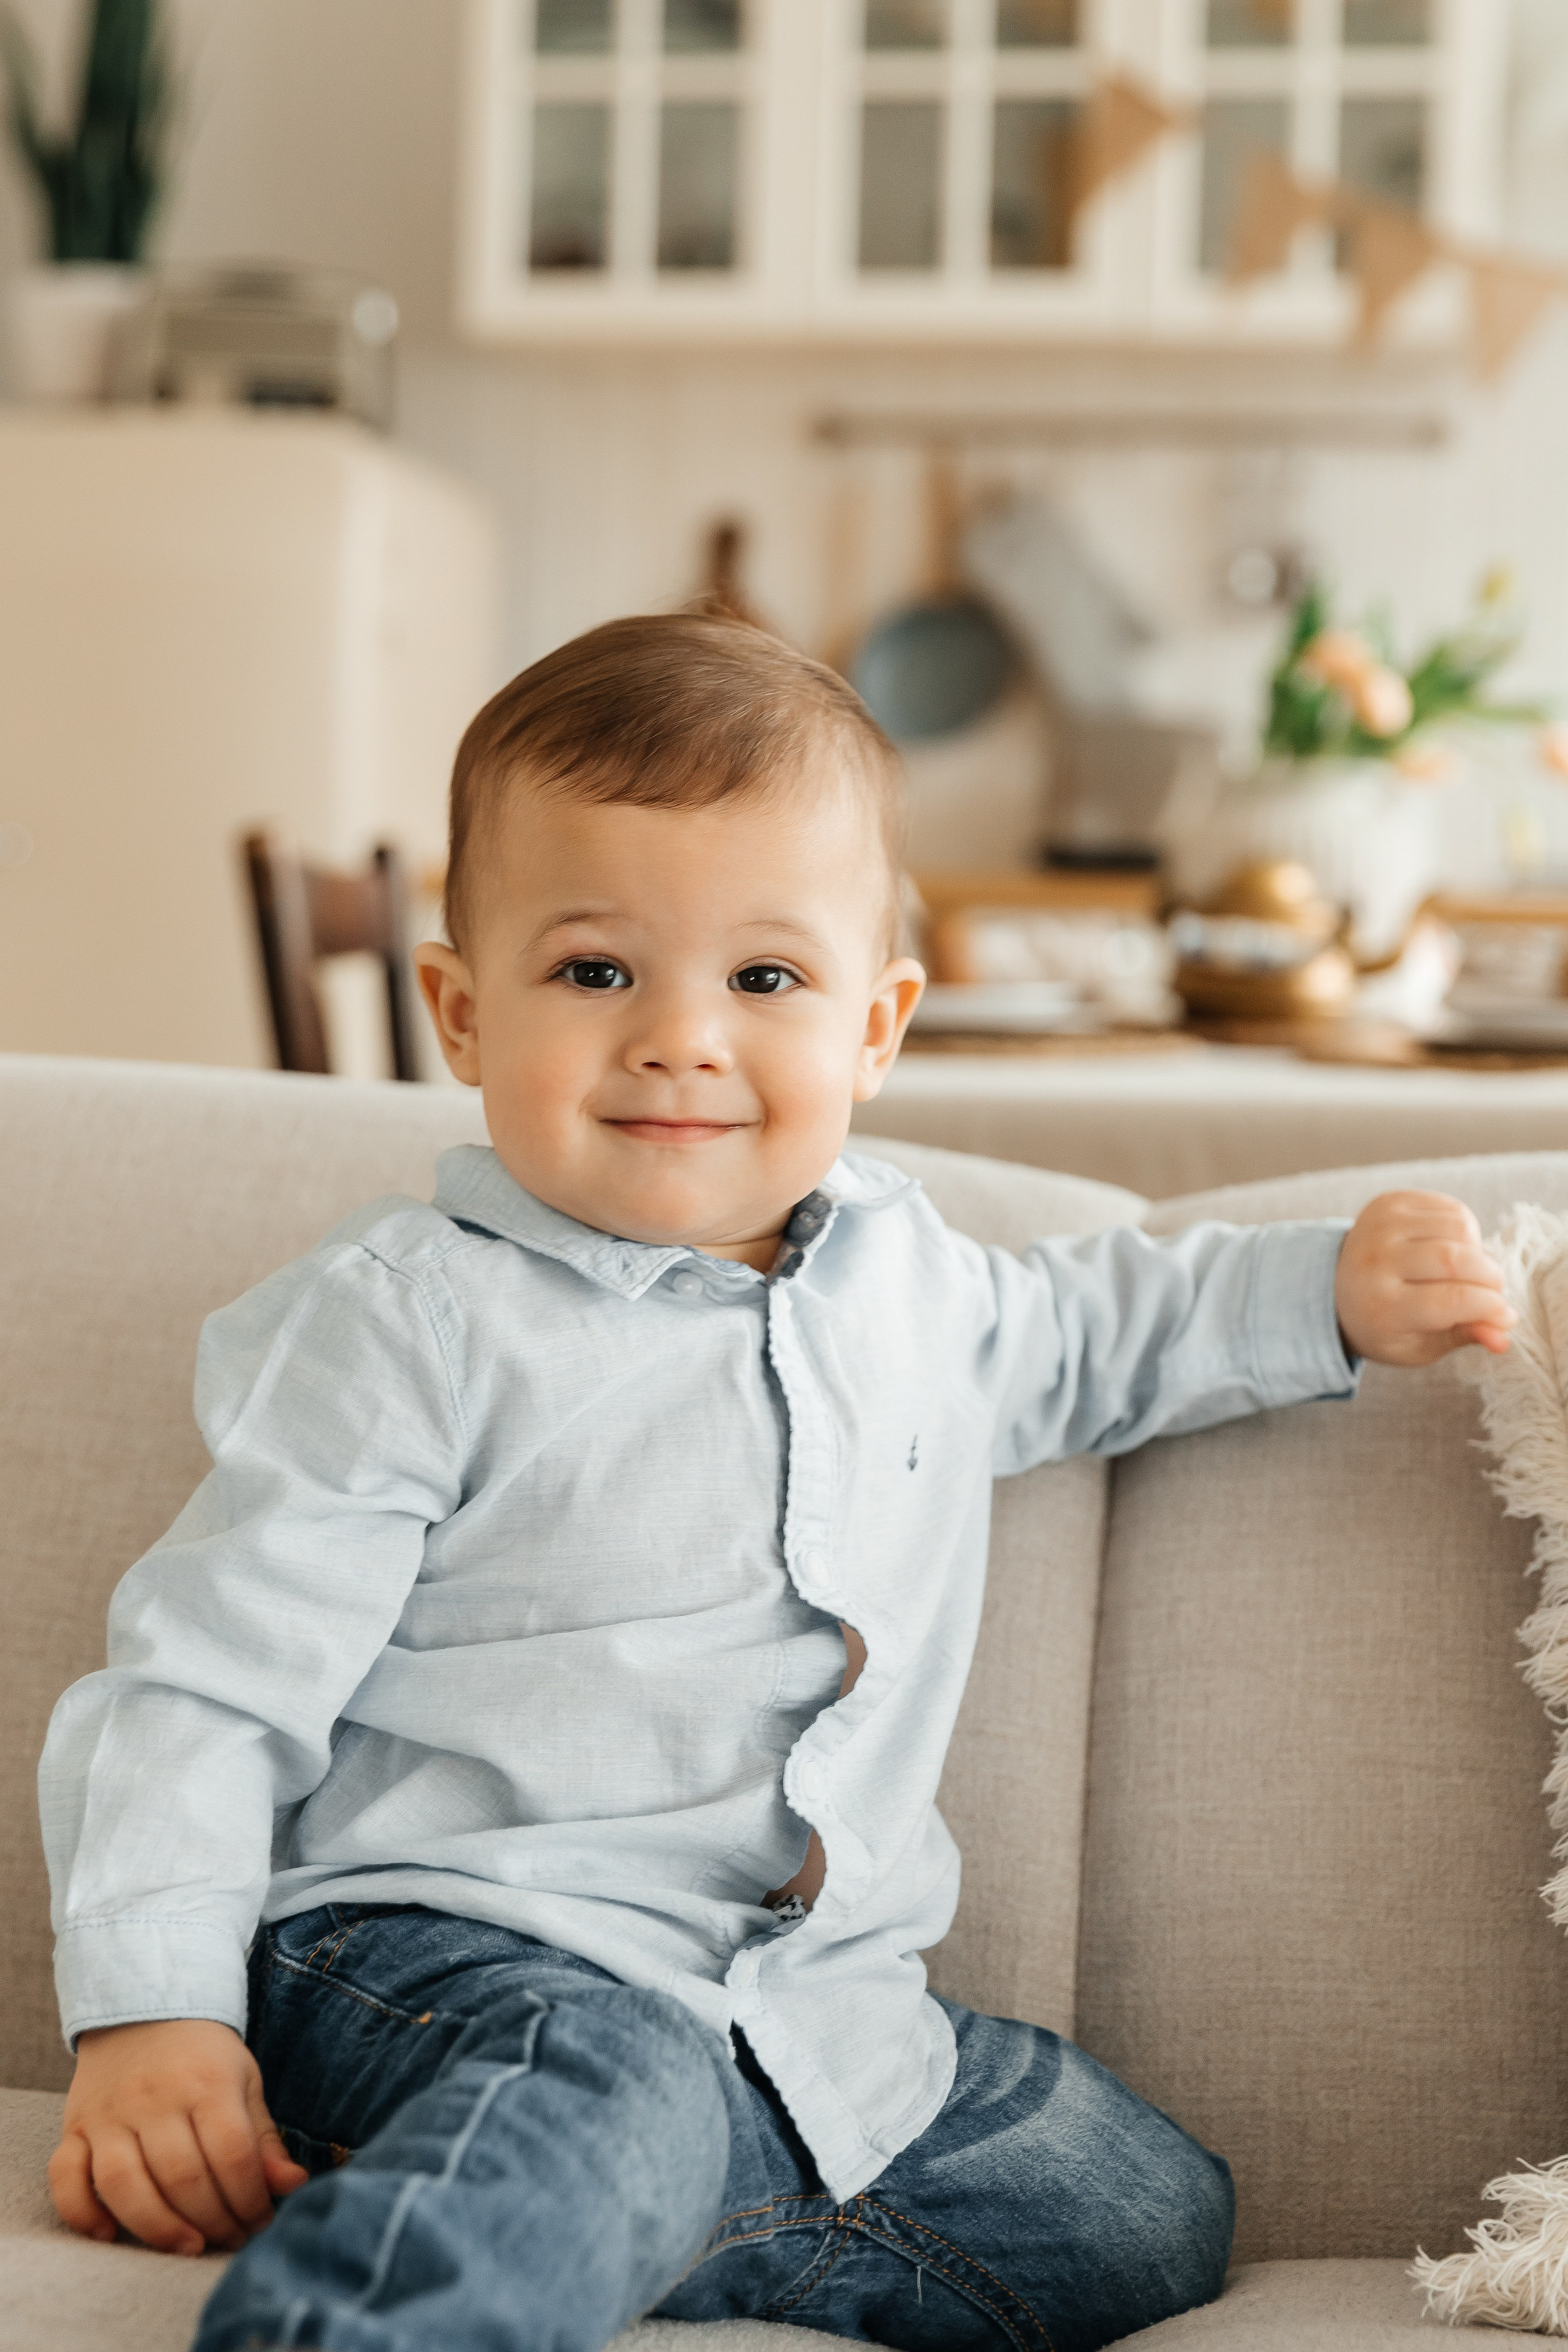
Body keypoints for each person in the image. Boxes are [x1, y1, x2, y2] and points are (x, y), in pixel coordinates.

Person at [38, 616, 1515, 2352]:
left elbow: (1107, 1329)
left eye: (764, 980)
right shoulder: (412, 1321)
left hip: (814, 2014)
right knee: (608, 2076)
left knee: (1138, 2207)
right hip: (453, 1957)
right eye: (595, 973)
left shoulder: (918, 1286)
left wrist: (1328, 1289)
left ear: (878, 1024)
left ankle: (636, 2213)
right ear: (459, 1007)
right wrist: (152, 2012)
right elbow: (205, 1684)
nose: (682, 1039)